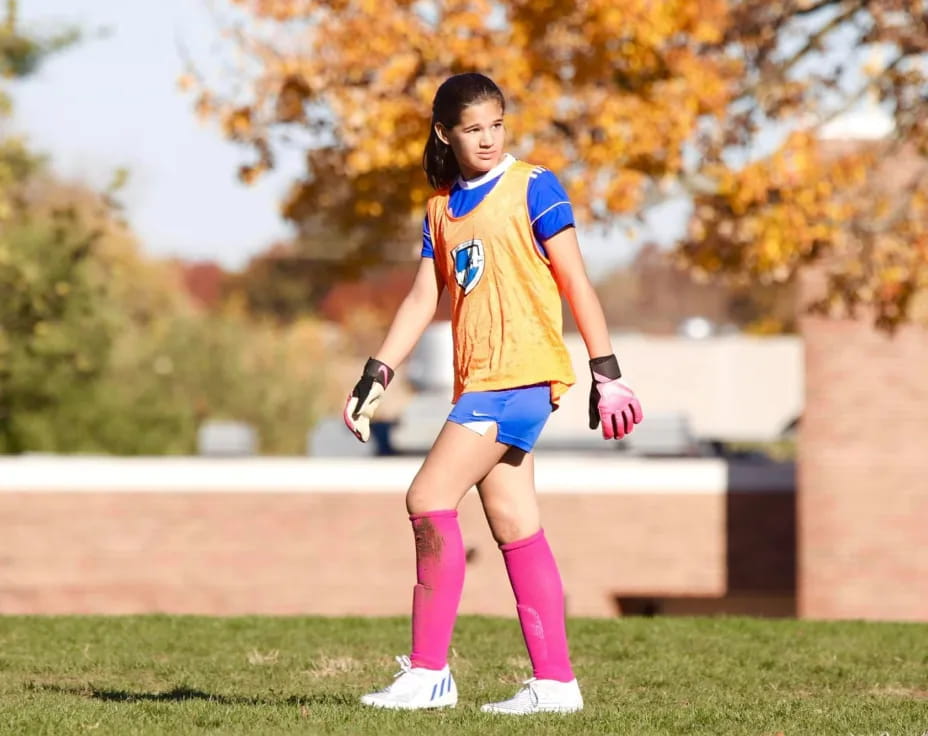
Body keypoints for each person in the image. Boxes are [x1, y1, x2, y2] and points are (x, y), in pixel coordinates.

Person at [343, 72, 643, 715]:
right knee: (515, 526)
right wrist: (377, 373)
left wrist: (606, 369)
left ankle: (428, 675)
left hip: (519, 377)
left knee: (426, 497)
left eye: (496, 126)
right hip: (480, 381)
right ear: (445, 134)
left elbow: (576, 280)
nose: (486, 139)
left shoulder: (534, 186)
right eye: (472, 129)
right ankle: (556, 685)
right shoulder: (440, 208)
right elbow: (425, 297)